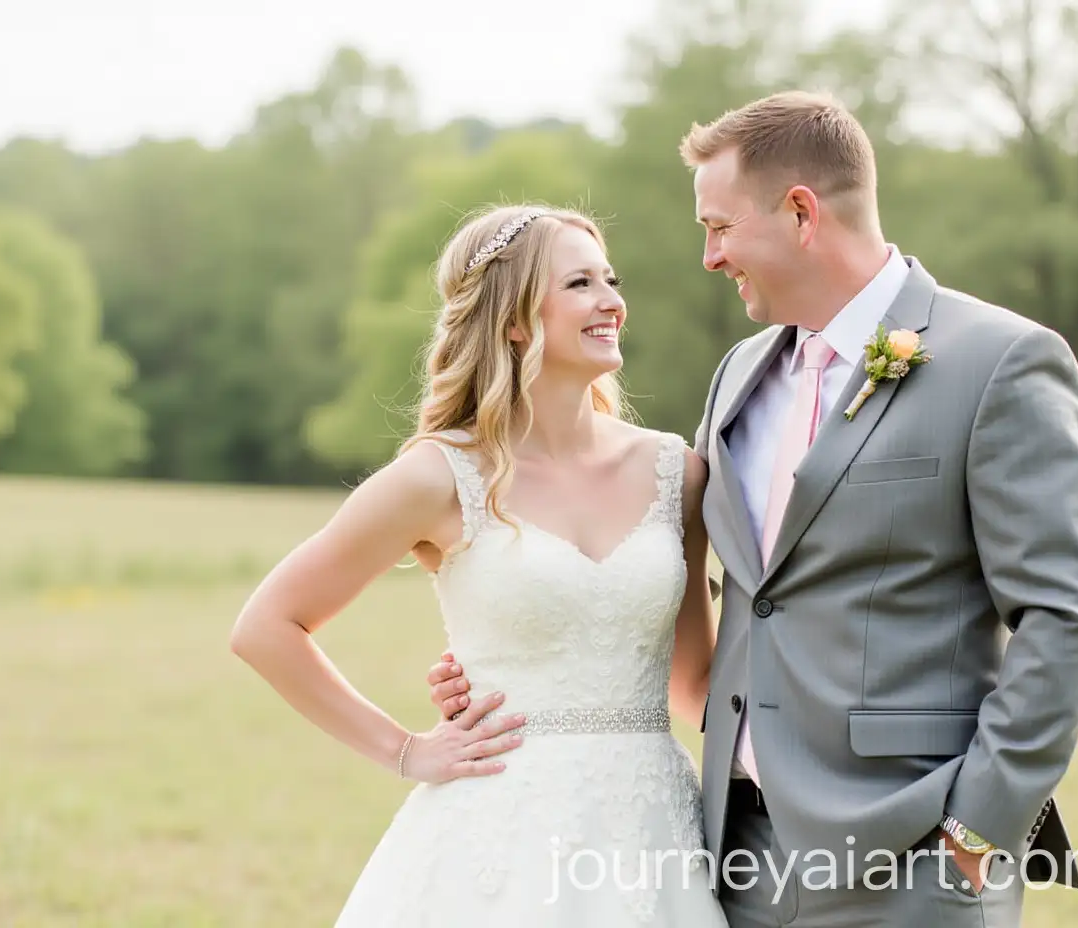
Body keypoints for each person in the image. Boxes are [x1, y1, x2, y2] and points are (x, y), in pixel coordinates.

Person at [427, 92, 1078, 927]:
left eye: (718, 227)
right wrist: (516, 668)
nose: (710, 257)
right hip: (731, 856)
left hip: (914, 860)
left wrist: (978, 832)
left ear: (800, 213)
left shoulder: (1000, 362)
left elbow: (1067, 616)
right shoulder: (738, 378)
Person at [229, 203, 732, 926]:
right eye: (580, 284)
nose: (611, 301)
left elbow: (695, 684)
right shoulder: (440, 477)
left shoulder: (675, 473)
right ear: (515, 320)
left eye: (610, 280)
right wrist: (405, 750)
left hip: (651, 837)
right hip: (497, 835)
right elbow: (266, 627)